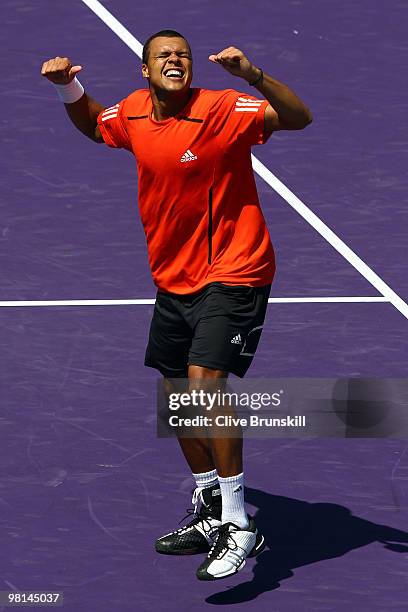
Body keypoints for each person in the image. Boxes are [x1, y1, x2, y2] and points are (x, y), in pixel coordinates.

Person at [41, 29, 312, 581]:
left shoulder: (223, 108)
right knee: (175, 398)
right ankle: (210, 506)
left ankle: (239, 524)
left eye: (182, 55)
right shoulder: (134, 113)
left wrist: (254, 76)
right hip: (174, 278)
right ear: (144, 71)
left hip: (236, 268)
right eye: (163, 56)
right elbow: (96, 125)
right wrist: (69, 88)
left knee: (204, 384)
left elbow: (298, 117)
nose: (175, 61)